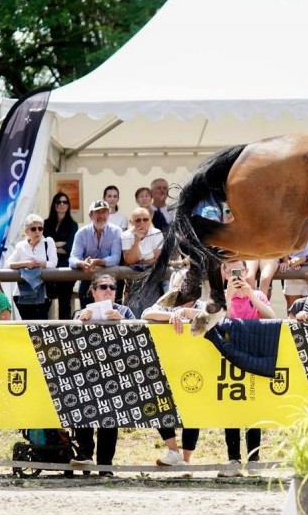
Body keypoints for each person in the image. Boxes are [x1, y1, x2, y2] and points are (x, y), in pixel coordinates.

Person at [70, 273, 134, 476]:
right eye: (103, 287)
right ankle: (85, 455)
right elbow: (69, 340)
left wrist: (122, 322)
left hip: (115, 370)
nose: (108, 291)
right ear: (93, 292)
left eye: (112, 288)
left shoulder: (124, 311)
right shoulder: (81, 312)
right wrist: (80, 322)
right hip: (87, 371)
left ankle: (105, 464)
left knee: (109, 419)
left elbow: (139, 335)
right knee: (84, 414)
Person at [217, 260, 274, 478]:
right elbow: (222, 322)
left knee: (253, 408)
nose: (236, 274)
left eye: (239, 270)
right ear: (223, 272)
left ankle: (253, 460)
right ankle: (233, 459)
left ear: (247, 271)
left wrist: (250, 294)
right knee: (231, 409)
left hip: (253, 355)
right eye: (231, 270)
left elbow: (271, 317)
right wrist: (229, 296)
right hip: (228, 356)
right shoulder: (218, 297)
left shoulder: (257, 295)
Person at [141, 298, 206, 473]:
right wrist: (172, 315)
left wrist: (184, 314)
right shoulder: (168, 303)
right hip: (169, 363)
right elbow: (146, 313)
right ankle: (173, 451)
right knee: (158, 402)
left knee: (192, 412)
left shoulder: (202, 305)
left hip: (195, 364)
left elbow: (212, 317)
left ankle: (185, 461)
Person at [70, 200, 123, 309]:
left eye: (104, 212)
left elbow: (116, 258)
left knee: (113, 317)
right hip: (88, 280)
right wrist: (81, 264)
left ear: (109, 214)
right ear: (90, 215)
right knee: (87, 317)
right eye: (97, 212)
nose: (101, 215)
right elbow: (72, 258)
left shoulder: (116, 231)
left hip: (110, 282)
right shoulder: (81, 233)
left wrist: (98, 262)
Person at [7, 214, 57, 320]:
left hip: (43, 295)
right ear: (27, 232)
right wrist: (25, 264)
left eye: (40, 228)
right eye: (33, 229)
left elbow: (53, 263)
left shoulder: (49, 242)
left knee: (40, 327)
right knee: (27, 327)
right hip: (21, 294)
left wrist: (38, 263)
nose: (37, 231)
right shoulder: (20, 245)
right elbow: (8, 264)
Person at [43, 192, 79, 320]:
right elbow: (43, 246)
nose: (62, 205)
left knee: (65, 304)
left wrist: (52, 245)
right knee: (45, 304)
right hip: (48, 268)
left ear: (68, 205)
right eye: (59, 202)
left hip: (65, 268)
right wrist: (59, 245)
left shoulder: (73, 225)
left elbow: (69, 248)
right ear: (54, 205)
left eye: (65, 202)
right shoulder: (45, 224)